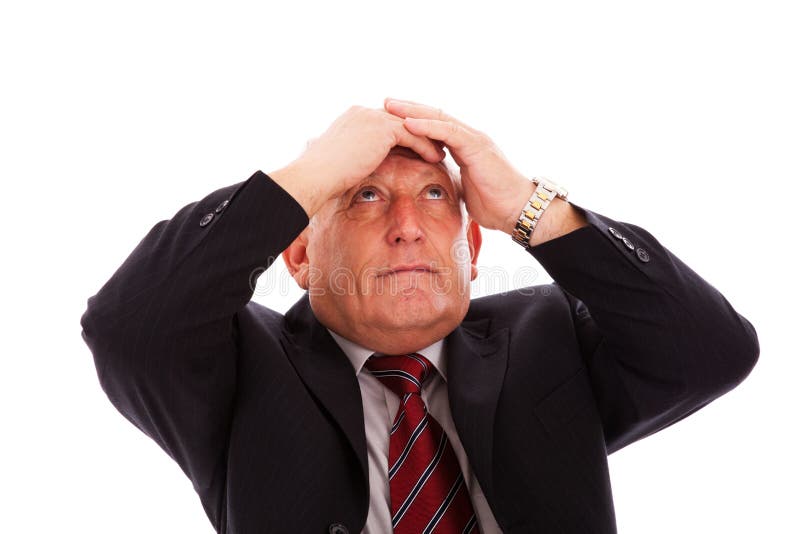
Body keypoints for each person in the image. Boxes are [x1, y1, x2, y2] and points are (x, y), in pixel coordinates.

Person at [80, 98, 759, 534]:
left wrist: (530, 204)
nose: (407, 226)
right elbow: (130, 327)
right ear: (299, 257)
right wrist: (314, 173)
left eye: (435, 194)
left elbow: (712, 351)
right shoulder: (241, 365)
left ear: (469, 248)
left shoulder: (550, 338)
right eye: (365, 196)